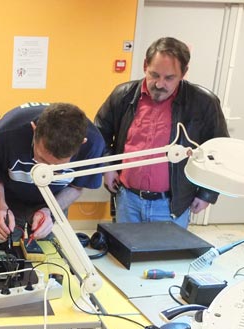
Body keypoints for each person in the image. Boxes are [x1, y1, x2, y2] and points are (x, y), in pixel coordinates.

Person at [0, 102, 105, 329]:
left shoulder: (93, 143)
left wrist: (51, 212)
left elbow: (77, 185)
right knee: (4, 277)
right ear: (34, 131)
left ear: (81, 144)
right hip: (8, 203)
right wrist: (0, 208)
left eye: (57, 165)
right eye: (42, 159)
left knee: (45, 283)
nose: (46, 169)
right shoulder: (7, 132)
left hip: (51, 206)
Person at [94, 37, 229, 228]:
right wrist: (107, 166)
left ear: (184, 73)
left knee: (166, 249)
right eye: (154, 75)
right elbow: (100, 133)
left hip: (172, 205)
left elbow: (220, 150)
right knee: (124, 248)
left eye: (169, 78)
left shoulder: (203, 103)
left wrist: (207, 193)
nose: (159, 84)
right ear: (145, 66)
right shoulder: (123, 94)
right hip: (127, 200)